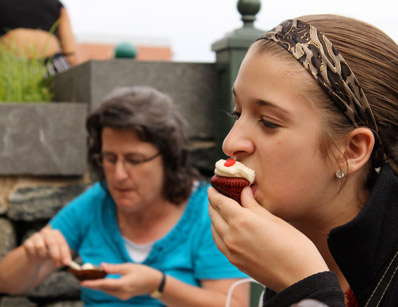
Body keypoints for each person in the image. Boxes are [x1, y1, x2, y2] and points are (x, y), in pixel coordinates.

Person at [207, 14, 398, 307]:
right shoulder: (292, 239)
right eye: (238, 114)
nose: (230, 142)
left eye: (268, 122)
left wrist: (304, 286)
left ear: (352, 150)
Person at [0, 86, 249, 306]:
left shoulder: (206, 211)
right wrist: (32, 256)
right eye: (109, 159)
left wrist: (158, 285)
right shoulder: (97, 201)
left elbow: (231, 303)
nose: (118, 174)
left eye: (135, 159)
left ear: (169, 158)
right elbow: (7, 283)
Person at [0, 0, 80, 76]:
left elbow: (71, 54)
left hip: (52, 66)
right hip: (9, 66)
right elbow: (71, 54)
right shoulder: (56, 5)